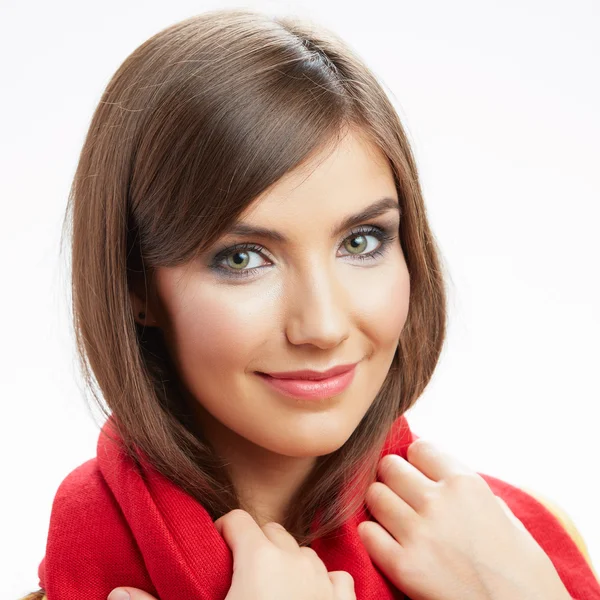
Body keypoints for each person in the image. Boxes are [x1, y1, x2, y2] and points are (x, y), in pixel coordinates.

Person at [21, 7, 599, 600]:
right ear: (136, 283)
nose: (321, 326)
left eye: (361, 242)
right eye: (243, 257)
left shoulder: (526, 550)